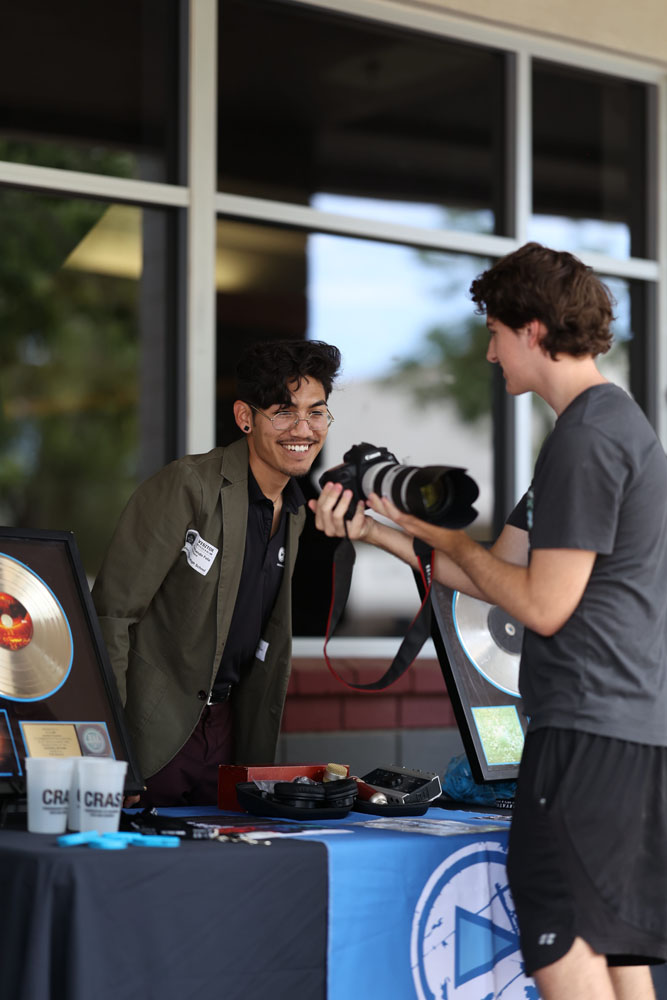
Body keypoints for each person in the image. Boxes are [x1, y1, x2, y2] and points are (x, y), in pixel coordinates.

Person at [311, 243, 667, 1000]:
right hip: (623, 729)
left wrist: (442, 535)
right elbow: (482, 576)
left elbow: (540, 603)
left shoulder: (586, 438)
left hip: (584, 729)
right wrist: (375, 528)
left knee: (562, 937)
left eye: (496, 332)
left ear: (532, 330)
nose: (487, 349)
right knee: (610, 944)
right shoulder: (603, 427)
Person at [92, 339, 341, 806]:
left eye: (317, 412)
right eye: (284, 412)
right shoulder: (188, 485)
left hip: (229, 736)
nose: (303, 429)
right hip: (154, 733)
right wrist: (111, 748)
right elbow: (112, 618)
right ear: (246, 418)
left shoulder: (294, 511)